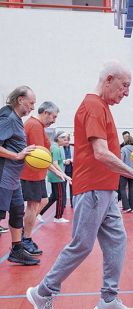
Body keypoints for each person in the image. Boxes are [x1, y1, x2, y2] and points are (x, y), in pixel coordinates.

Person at [26, 60, 133, 309]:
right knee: (82, 245)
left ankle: (109, 298)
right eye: (125, 86)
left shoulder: (103, 107)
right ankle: (43, 291)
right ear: (109, 79)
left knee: (117, 240)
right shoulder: (93, 106)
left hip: (106, 190)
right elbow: (100, 153)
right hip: (94, 188)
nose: (127, 92)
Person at [21, 101, 68, 254]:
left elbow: (44, 157)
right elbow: (39, 157)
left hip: (37, 173)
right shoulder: (34, 126)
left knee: (44, 201)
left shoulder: (38, 126)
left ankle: (24, 231)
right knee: (33, 205)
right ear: (46, 112)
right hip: (31, 173)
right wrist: (57, 171)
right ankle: (25, 238)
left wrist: (60, 172)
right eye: (53, 116)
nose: (54, 120)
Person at [0, 85, 39, 266]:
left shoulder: (16, 118)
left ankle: (16, 250)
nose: (32, 107)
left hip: (13, 178)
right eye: (31, 103)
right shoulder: (7, 118)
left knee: (17, 212)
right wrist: (16, 155)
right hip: (3, 175)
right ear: (20, 100)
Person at [38, 131, 69, 223]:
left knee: (54, 197)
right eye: (64, 139)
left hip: (54, 175)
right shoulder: (56, 149)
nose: (66, 141)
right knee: (60, 197)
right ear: (58, 139)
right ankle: (58, 217)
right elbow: (54, 164)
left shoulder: (55, 147)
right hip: (57, 177)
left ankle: (39, 213)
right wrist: (64, 175)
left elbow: (55, 162)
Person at [119, 135, 133, 213]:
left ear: (125, 141)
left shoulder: (123, 149)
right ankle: (132, 207)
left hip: (124, 172)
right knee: (131, 189)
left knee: (122, 189)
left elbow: (121, 160)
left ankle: (126, 207)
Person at [61, 133, 74, 208]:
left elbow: (76, 158)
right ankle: (63, 204)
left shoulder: (73, 148)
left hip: (72, 170)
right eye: (65, 140)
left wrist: (71, 160)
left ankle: (73, 203)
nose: (66, 142)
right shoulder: (59, 149)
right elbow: (58, 160)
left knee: (72, 188)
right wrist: (64, 161)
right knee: (63, 188)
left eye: (67, 140)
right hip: (63, 171)